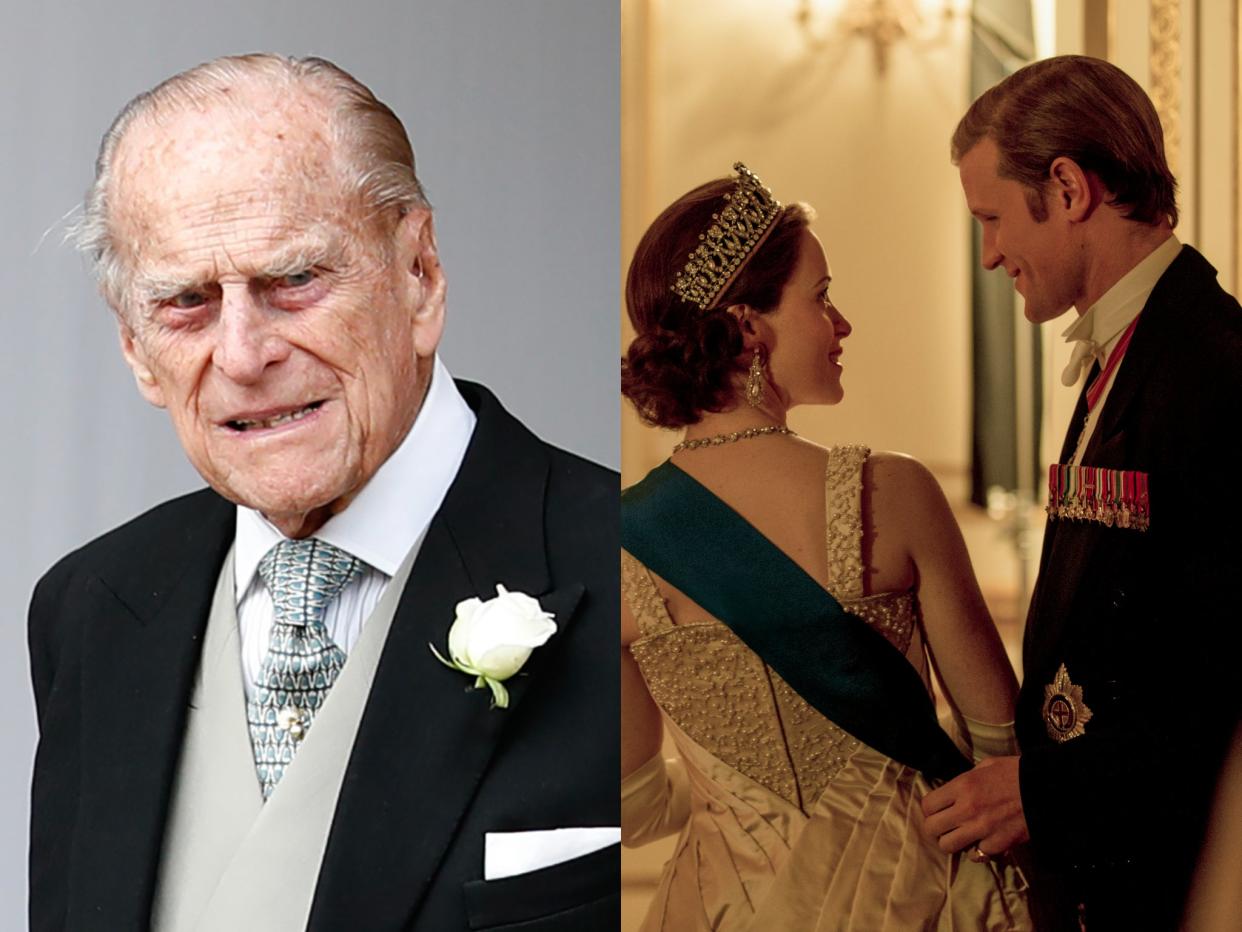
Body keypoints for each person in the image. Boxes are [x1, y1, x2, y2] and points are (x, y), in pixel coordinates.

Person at [27, 54, 618, 932]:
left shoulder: (641, 573)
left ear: (419, 274)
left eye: (294, 281)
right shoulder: (87, 609)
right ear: (133, 348)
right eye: (186, 301)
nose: (242, 354)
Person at [620, 163, 1031, 930]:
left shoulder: (618, 543)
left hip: (717, 908)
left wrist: (729, 793)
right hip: (919, 896)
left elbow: (633, 805)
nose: (841, 325)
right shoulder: (895, 493)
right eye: (822, 297)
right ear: (747, 327)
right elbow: (998, 743)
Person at [921, 55, 1242, 931]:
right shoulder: (1137, 348)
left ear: (1066, 188)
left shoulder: (1213, 366)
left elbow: (1219, 668)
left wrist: (1049, 793)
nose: (989, 255)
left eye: (992, 219)